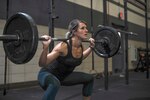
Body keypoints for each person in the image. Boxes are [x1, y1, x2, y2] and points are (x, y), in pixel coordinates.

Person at [38, 19, 95, 100]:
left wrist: (91, 48)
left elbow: (79, 58)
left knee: (89, 78)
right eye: (82, 28)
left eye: (86, 28)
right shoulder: (63, 46)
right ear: (74, 32)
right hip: (47, 74)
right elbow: (42, 63)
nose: (86, 30)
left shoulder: (80, 47)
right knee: (55, 83)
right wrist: (45, 47)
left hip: (64, 76)